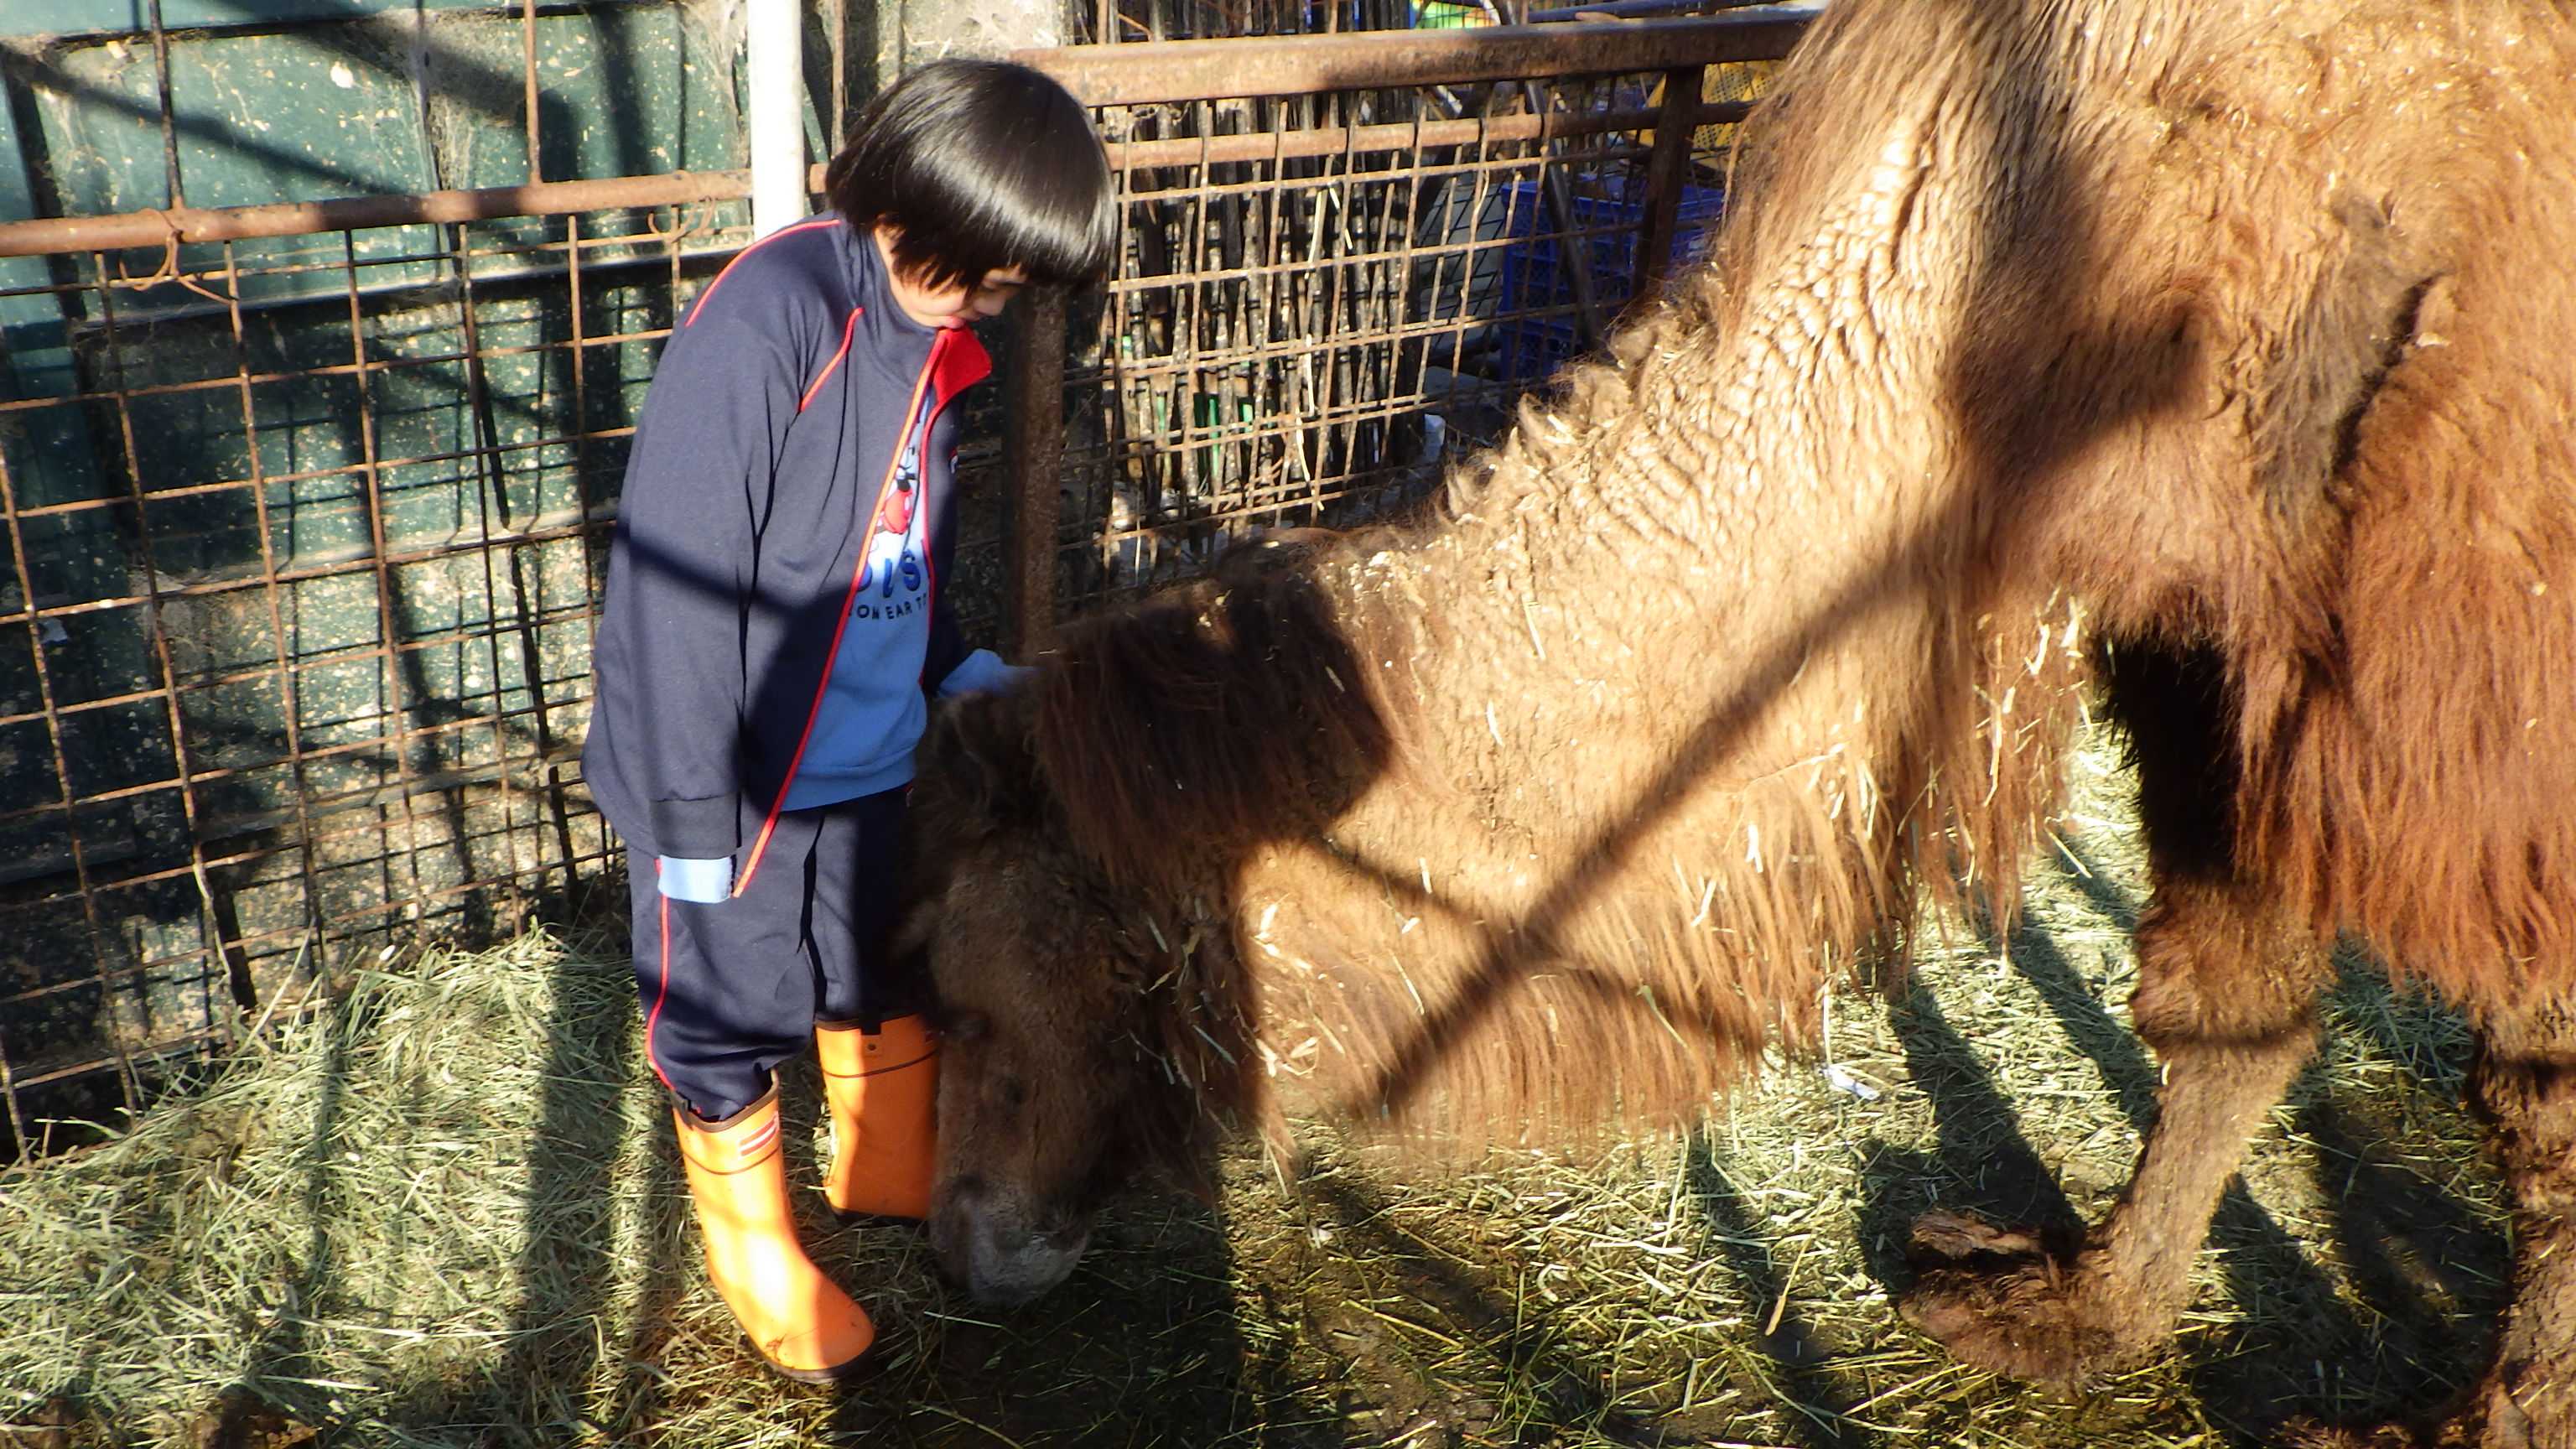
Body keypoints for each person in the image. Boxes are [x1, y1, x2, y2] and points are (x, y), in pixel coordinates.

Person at [581, 57, 1116, 1383]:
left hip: (871, 754)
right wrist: (694, 819)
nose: (1000, 304)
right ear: (922, 214)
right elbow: (677, 592)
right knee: (724, 1000)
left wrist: (948, 673)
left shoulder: (929, 342)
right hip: (741, 775)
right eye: (991, 275)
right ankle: (756, 1248)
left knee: (877, 953)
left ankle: (880, 1159)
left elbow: (897, 547)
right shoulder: (769, 329)